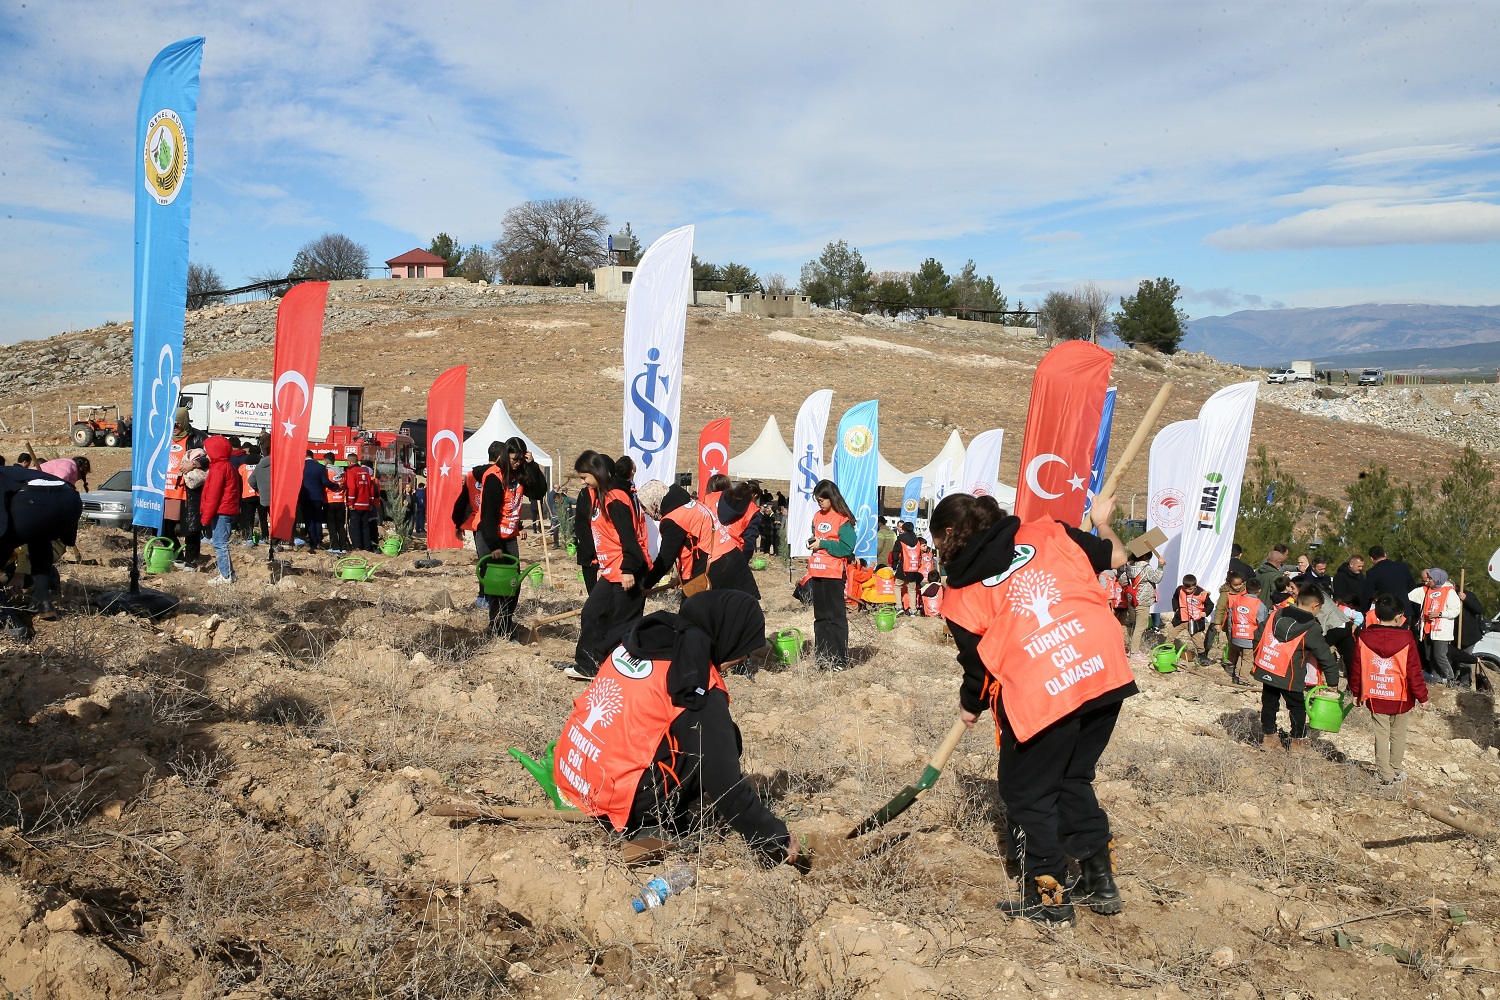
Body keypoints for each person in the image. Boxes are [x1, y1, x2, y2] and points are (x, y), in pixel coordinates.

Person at [935, 491, 1131, 926]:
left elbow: (979, 668)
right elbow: (1117, 555)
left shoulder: (960, 594)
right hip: (1102, 666)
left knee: (1028, 793)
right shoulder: (1047, 531)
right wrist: (1101, 520)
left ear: (949, 535)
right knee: (1071, 778)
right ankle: (1100, 882)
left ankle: (1047, 896)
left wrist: (971, 706)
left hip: (1044, 685)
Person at [553, 591, 803, 868]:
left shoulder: (639, 641)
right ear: (728, 634)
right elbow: (725, 783)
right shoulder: (692, 680)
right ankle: (648, 820)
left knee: (716, 733)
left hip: (573, 770)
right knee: (720, 742)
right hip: (613, 795)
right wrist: (772, 836)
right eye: (744, 647)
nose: (743, 658)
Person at [568, 452, 649, 681]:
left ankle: (624, 672)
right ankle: (588, 666)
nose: (583, 482)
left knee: (622, 624)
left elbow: (629, 539)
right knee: (592, 612)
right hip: (610, 570)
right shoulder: (597, 496)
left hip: (626, 569)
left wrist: (629, 569)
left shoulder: (615, 499)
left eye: (585, 477)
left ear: (597, 472)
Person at [1349, 593, 1428, 785]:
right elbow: (1414, 671)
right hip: (1401, 696)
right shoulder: (1407, 639)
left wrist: (1356, 692)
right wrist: (1422, 696)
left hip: (1375, 694)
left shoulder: (1364, 637)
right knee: (1399, 734)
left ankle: (1384, 774)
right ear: (1398, 617)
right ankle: (1395, 769)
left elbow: (1357, 667)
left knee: (1381, 735)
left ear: (1376, 615)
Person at [1250, 585, 1340, 752]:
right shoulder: (1311, 627)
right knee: (1297, 707)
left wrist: (1260, 658)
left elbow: (1257, 636)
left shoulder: (1276, 614)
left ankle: (1268, 738)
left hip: (1269, 668)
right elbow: (1325, 656)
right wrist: (1333, 681)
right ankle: (1298, 742)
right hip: (1290, 675)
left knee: (1269, 703)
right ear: (1315, 606)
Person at [637, 481, 760, 599]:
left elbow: (665, 560)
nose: (644, 511)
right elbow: (690, 545)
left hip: (717, 566)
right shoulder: (689, 504)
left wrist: (645, 585)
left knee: (692, 614)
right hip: (731, 557)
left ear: (654, 503)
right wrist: (682, 576)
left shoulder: (673, 519)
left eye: (644, 506)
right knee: (729, 614)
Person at [476, 439, 547, 640]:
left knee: (512, 584)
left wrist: (532, 465)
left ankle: (506, 626)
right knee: (498, 585)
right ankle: (497, 629)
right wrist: (494, 546)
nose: (516, 463)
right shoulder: (494, 477)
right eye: (514, 459)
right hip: (491, 537)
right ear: (505, 456)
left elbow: (539, 492)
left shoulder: (521, 473)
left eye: (520, 459)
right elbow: (488, 515)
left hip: (509, 536)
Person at [0, 465, 82, 632]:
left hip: (32, 504)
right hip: (70, 502)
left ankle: (7, 616)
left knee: (13, 539)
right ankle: (43, 601)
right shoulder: (17, 473)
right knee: (40, 540)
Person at [805, 480, 856, 671]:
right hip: (817, 571)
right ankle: (823, 658)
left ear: (831, 497)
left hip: (833, 573)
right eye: (817, 500)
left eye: (822, 500)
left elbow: (846, 548)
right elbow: (815, 537)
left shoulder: (843, 520)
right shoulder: (817, 516)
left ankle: (839, 659)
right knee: (821, 618)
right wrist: (812, 543)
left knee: (835, 618)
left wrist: (824, 544)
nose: (819, 503)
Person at [198, 435, 241, 584]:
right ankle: (229, 574)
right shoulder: (226, 466)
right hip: (226, 510)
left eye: (207, 451)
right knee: (221, 543)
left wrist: (205, 518)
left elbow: (213, 495)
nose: (206, 455)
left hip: (221, 511)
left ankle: (226, 575)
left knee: (220, 543)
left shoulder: (218, 469)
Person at [1410, 568, 1461, 686]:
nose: (1428, 581)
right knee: (1430, 656)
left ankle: (1450, 678)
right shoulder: (1425, 590)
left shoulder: (1449, 591)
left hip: (1441, 631)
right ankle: (1436, 680)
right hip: (1427, 629)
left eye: (1430, 578)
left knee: (1439, 655)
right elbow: (1409, 595)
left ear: (1437, 579)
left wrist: (1440, 614)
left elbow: (1455, 610)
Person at [1219, 574, 1265, 686]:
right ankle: (1243, 679)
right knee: (1248, 659)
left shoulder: (1237, 601)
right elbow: (1262, 624)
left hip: (1237, 634)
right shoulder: (1260, 605)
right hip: (1250, 637)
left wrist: (1231, 635)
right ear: (1259, 591)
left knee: (1241, 656)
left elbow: (1230, 620)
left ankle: (1237, 676)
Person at [1121, 552, 1164, 655]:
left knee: (1135, 623)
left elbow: (1122, 581)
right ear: (1146, 557)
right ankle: (1134, 652)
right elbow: (1156, 579)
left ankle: (1133, 646)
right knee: (1141, 626)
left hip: (1132, 598)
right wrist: (1160, 566)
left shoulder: (1130, 567)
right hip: (1143, 599)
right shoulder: (1146, 567)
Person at [1166, 574, 1214, 662]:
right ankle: (1167, 653)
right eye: (1186, 588)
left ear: (1195, 586)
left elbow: (1210, 605)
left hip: (1193, 621)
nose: (1188, 591)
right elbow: (1175, 598)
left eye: (1190, 589)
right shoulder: (1179, 590)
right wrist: (1176, 609)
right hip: (1180, 619)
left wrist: (1204, 613)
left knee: (1197, 641)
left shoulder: (1202, 593)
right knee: (1170, 636)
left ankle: (1202, 657)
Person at [298, 451, 335, 552]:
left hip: (305, 497)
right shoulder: (319, 467)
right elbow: (325, 481)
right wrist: (335, 486)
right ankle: (319, 539)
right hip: (318, 496)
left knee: (309, 519)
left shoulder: (301, 466)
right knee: (318, 519)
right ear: (312, 456)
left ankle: (313, 541)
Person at [712, 482, 762, 556]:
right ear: (755, 496)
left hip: (711, 548)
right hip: (733, 552)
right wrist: (745, 559)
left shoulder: (716, 499)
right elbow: (749, 539)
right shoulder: (752, 510)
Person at [1362, 545, 1416, 612]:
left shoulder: (1372, 573)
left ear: (1371, 558)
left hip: (1387, 612)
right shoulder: (1402, 567)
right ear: (1385, 554)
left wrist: (1364, 613)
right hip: (1405, 609)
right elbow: (1412, 587)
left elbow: (1367, 596)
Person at [344, 460, 379, 552]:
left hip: (356, 504)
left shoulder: (351, 472)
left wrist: (350, 502)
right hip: (366, 504)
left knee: (355, 527)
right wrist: (370, 502)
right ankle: (367, 546)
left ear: (349, 461)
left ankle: (357, 546)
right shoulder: (366, 473)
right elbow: (371, 488)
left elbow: (352, 488)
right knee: (365, 526)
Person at [892, 522, 925, 615]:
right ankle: (913, 610)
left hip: (903, 566)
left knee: (898, 585)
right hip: (913, 566)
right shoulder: (917, 541)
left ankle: (899, 606)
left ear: (904, 529)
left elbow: (895, 553)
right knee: (912, 589)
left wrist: (894, 565)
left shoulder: (900, 539)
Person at [323, 455, 349, 553]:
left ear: (325, 461)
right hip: (340, 501)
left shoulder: (326, 472)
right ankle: (343, 546)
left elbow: (325, 485)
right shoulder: (342, 473)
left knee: (332, 526)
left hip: (329, 501)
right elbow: (344, 485)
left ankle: (335, 546)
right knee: (340, 526)